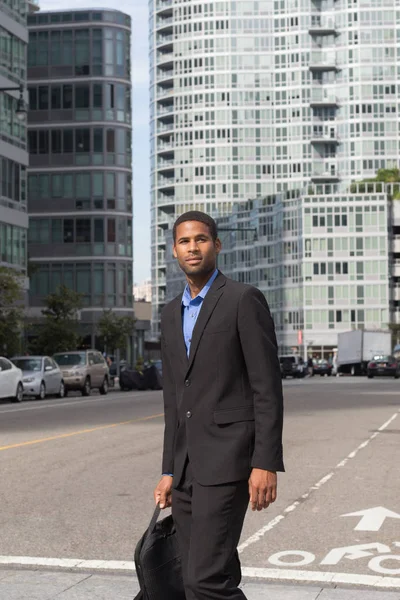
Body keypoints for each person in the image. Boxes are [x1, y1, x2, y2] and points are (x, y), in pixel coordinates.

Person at [153, 211, 284, 600]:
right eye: (184, 241)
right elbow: (174, 400)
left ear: (216, 245)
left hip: (229, 461)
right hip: (188, 467)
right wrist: (168, 470)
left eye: (201, 239)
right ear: (175, 252)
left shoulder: (243, 300)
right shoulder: (168, 313)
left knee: (204, 581)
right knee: (200, 576)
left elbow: (267, 388)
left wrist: (265, 462)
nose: (192, 247)